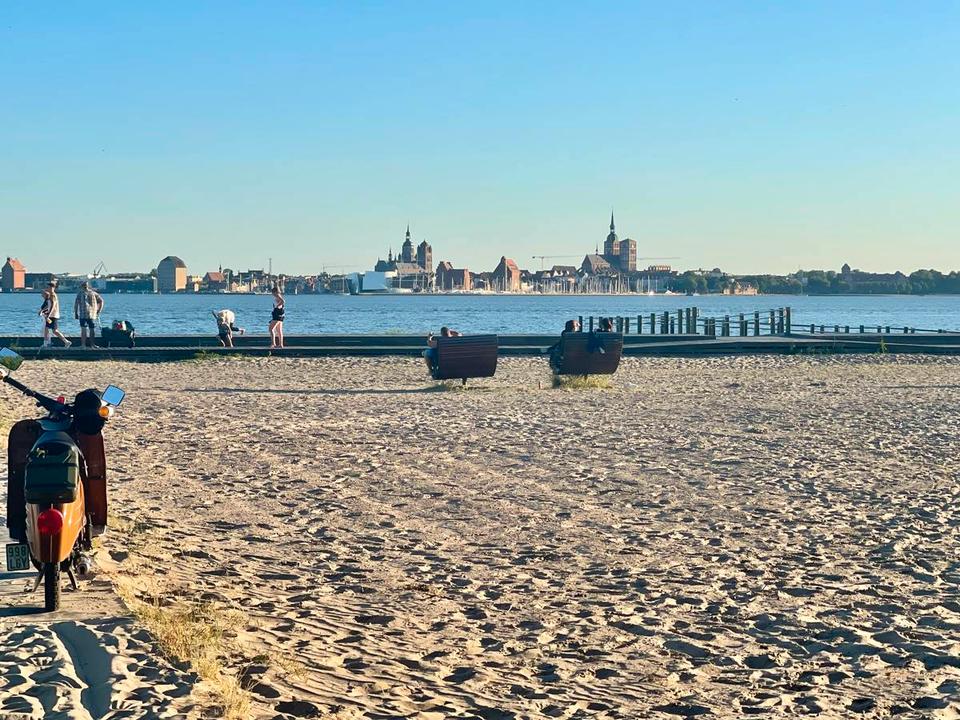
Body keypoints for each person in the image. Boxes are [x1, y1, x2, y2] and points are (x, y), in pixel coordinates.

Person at [74, 281, 104, 348]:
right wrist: (98, 311)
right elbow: (101, 301)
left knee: (83, 329)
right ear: (88, 286)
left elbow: (76, 304)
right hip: (92, 314)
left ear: (82, 286)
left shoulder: (80, 294)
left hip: (83, 314)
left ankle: (83, 345)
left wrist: (76, 313)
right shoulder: (93, 293)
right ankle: (92, 344)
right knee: (92, 329)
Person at [40, 282, 71, 348]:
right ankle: (66, 342)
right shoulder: (50, 295)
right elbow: (49, 305)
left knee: (48, 329)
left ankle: (46, 344)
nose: (47, 289)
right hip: (53, 315)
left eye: (48, 287)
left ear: (52, 288)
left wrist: (48, 315)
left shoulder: (53, 295)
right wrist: (42, 310)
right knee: (53, 330)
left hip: (52, 315)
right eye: (47, 287)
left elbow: (53, 306)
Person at [269, 284, 285, 349]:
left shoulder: (278, 295)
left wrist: (277, 306)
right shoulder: (279, 296)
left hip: (277, 315)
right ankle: (281, 344)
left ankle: (273, 343)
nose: (272, 294)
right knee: (279, 331)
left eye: (273, 292)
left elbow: (283, 301)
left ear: (275, 292)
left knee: (271, 329)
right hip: (280, 315)